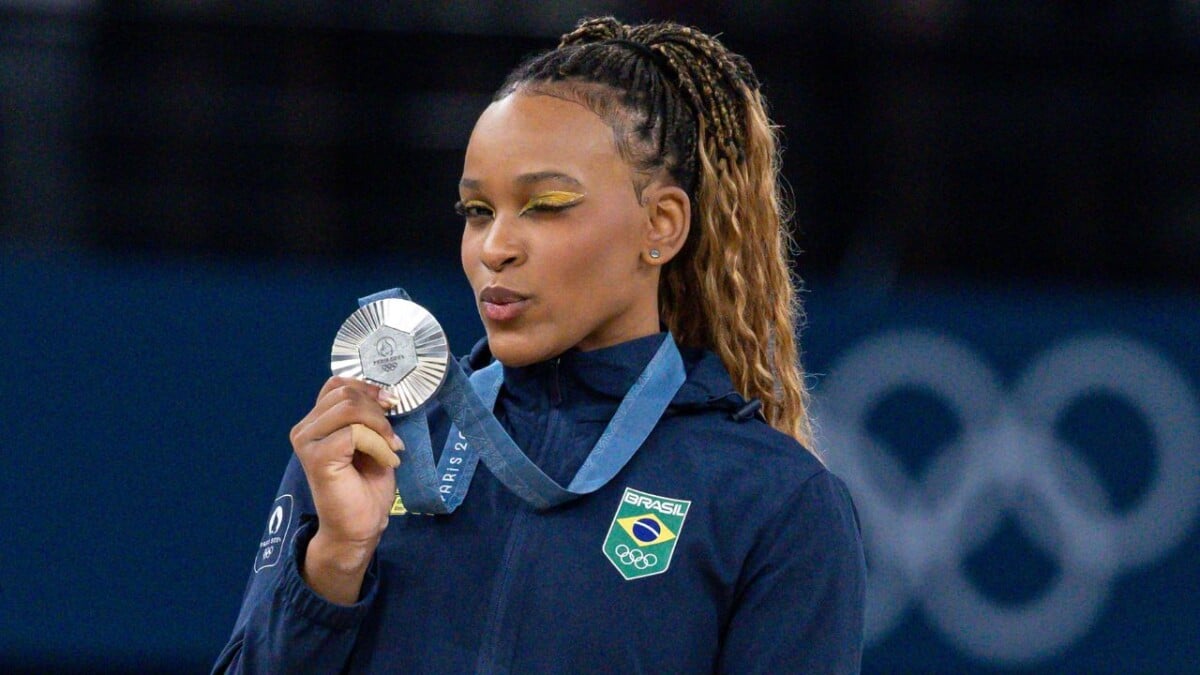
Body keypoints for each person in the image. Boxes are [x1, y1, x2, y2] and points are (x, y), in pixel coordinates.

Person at [214, 16, 865, 674]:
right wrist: (335, 560)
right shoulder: (373, 445)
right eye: (476, 211)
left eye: (547, 204)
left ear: (660, 224)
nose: (496, 246)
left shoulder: (771, 499)